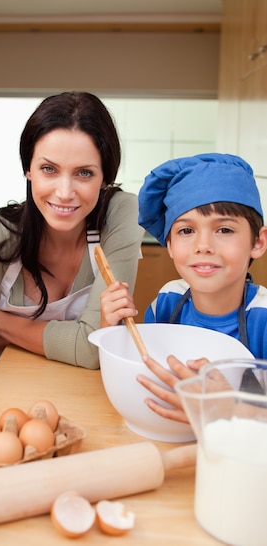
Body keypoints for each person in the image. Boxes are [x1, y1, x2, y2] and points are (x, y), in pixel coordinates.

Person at [0, 91, 144, 390]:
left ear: (105, 179)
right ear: (28, 170)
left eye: (84, 173)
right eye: (49, 169)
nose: (64, 192)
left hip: (85, 395)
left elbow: (93, 351)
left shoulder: (120, 213)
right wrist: (75, 336)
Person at [100, 153, 267, 423]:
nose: (203, 245)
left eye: (224, 230)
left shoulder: (263, 318)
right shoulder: (167, 302)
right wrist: (111, 331)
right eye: (186, 231)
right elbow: (143, 374)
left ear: (258, 242)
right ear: (169, 244)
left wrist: (229, 408)